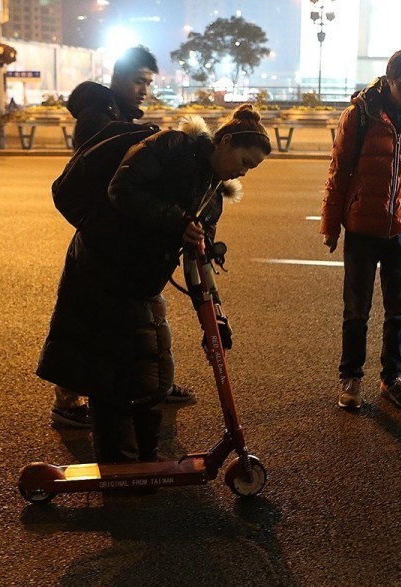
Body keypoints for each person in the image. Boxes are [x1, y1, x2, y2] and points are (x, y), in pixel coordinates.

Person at [36, 104, 271, 463]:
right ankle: (119, 465)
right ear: (223, 142)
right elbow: (122, 188)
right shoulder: (172, 147)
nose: (243, 171)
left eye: (251, 169)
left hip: (142, 281)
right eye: (244, 160)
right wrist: (177, 221)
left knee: (154, 374)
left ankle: (144, 459)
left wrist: (216, 315)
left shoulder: (212, 197)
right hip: (102, 268)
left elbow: (199, 257)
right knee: (113, 375)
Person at [49, 45, 193, 429]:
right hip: (101, 240)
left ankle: (155, 382)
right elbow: (104, 172)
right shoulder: (98, 118)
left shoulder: (116, 114)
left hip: (118, 238)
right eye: (138, 81)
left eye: (148, 82)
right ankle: (67, 401)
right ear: (119, 78)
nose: (144, 89)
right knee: (82, 322)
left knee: (140, 312)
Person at [320, 48, 401, 411]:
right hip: (361, 227)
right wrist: (330, 226)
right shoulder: (359, 115)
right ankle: (351, 378)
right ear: (389, 80)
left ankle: (393, 379)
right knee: (356, 310)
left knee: (399, 311)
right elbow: (338, 174)